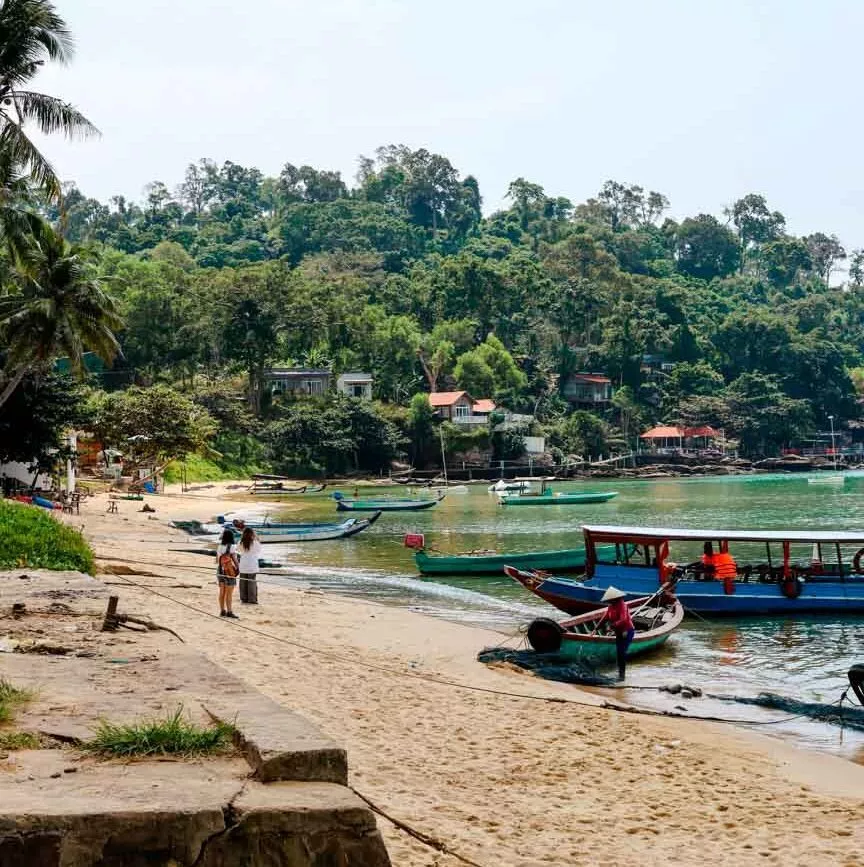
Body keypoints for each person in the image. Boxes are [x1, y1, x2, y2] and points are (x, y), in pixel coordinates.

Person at [598, 586, 634, 681]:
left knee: (622, 653)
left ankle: (622, 677)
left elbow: (623, 619)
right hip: (618, 632)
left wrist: (612, 626)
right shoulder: (611, 606)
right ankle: (620, 674)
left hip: (627, 631)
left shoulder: (622, 605)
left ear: (615, 598)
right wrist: (597, 627)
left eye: (610, 600)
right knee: (619, 654)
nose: (609, 602)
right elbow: (605, 617)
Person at [216, 528, 239, 618]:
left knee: (222, 592)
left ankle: (222, 610)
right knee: (229, 593)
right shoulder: (232, 547)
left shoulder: (219, 547)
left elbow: (218, 560)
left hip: (220, 571)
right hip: (229, 571)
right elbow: (235, 560)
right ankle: (229, 611)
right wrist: (238, 569)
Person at [238, 527, 263, 604]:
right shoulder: (255, 542)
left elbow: (239, 550)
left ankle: (244, 598)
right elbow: (259, 550)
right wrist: (257, 538)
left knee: (243, 582)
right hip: (252, 565)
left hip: (243, 564)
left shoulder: (240, 542)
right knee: (252, 582)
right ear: (252, 534)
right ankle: (252, 599)